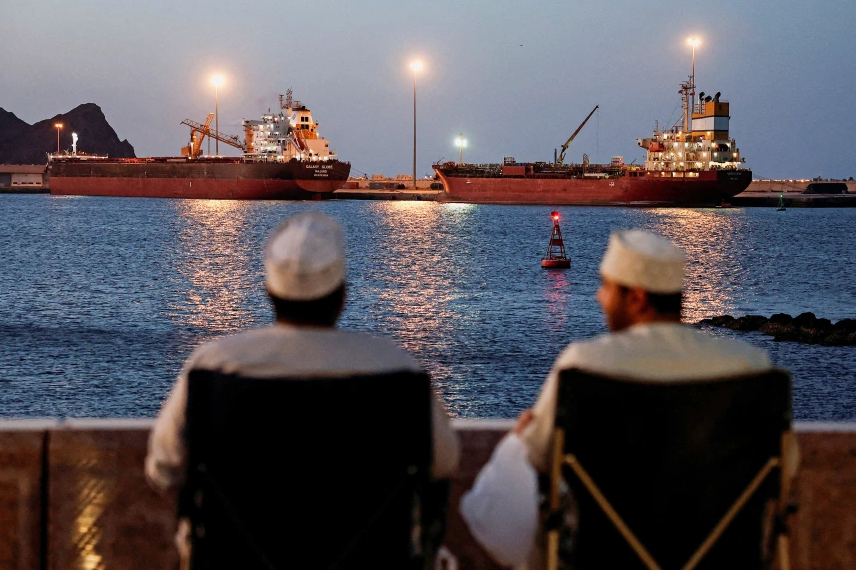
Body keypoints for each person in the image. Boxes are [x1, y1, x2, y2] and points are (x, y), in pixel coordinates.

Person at [145, 211, 460, 562]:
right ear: (342, 294)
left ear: (268, 291)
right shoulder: (400, 370)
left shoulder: (210, 366)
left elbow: (164, 465)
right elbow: (445, 461)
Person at [461, 229, 784, 570]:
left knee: (518, 455)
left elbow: (540, 459)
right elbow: (781, 469)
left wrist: (522, 436)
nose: (599, 298)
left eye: (607, 287)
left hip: (606, 556)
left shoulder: (584, 366)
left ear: (638, 299)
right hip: (723, 559)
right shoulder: (752, 369)